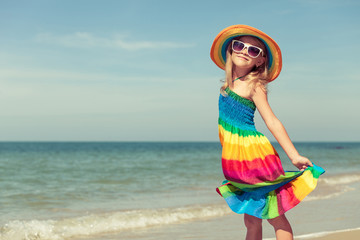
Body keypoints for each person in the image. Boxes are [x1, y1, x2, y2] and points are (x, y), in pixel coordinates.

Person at [210, 25, 325, 240]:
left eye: (253, 50)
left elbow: (272, 121)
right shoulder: (228, 85)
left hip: (253, 155)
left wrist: (294, 156)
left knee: (274, 215)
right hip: (236, 159)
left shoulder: (254, 85)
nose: (245, 51)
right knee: (251, 218)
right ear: (231, 49)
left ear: (260, 61)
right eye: (240, 45)